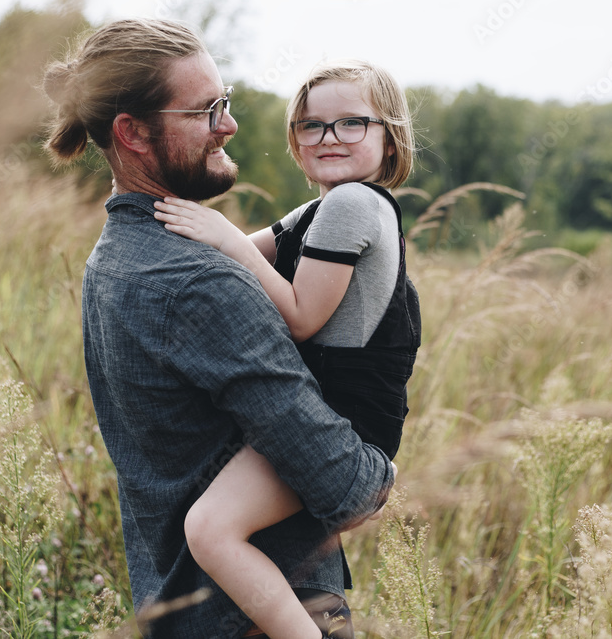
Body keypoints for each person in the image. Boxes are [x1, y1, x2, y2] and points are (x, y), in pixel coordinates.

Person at [42, 20, 395, 638]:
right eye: (207, 110)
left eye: (224, 102)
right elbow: (345, 487)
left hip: (176, 605)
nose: (228, 125)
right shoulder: (202, 282)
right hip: (255, 618)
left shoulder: (115, 255)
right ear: (132, 132)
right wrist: (378, 472)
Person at [152, 60, 421, 639]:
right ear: (295, 141)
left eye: (351, 123)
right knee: (216, 526)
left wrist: (221, 232)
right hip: (324, 416)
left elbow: (299, 316)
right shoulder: (322, 210)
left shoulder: (354, 204)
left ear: (389, 135)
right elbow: (231, 260)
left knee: (211, 529)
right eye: (310, 125)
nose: (328, 138)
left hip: (343, 431)